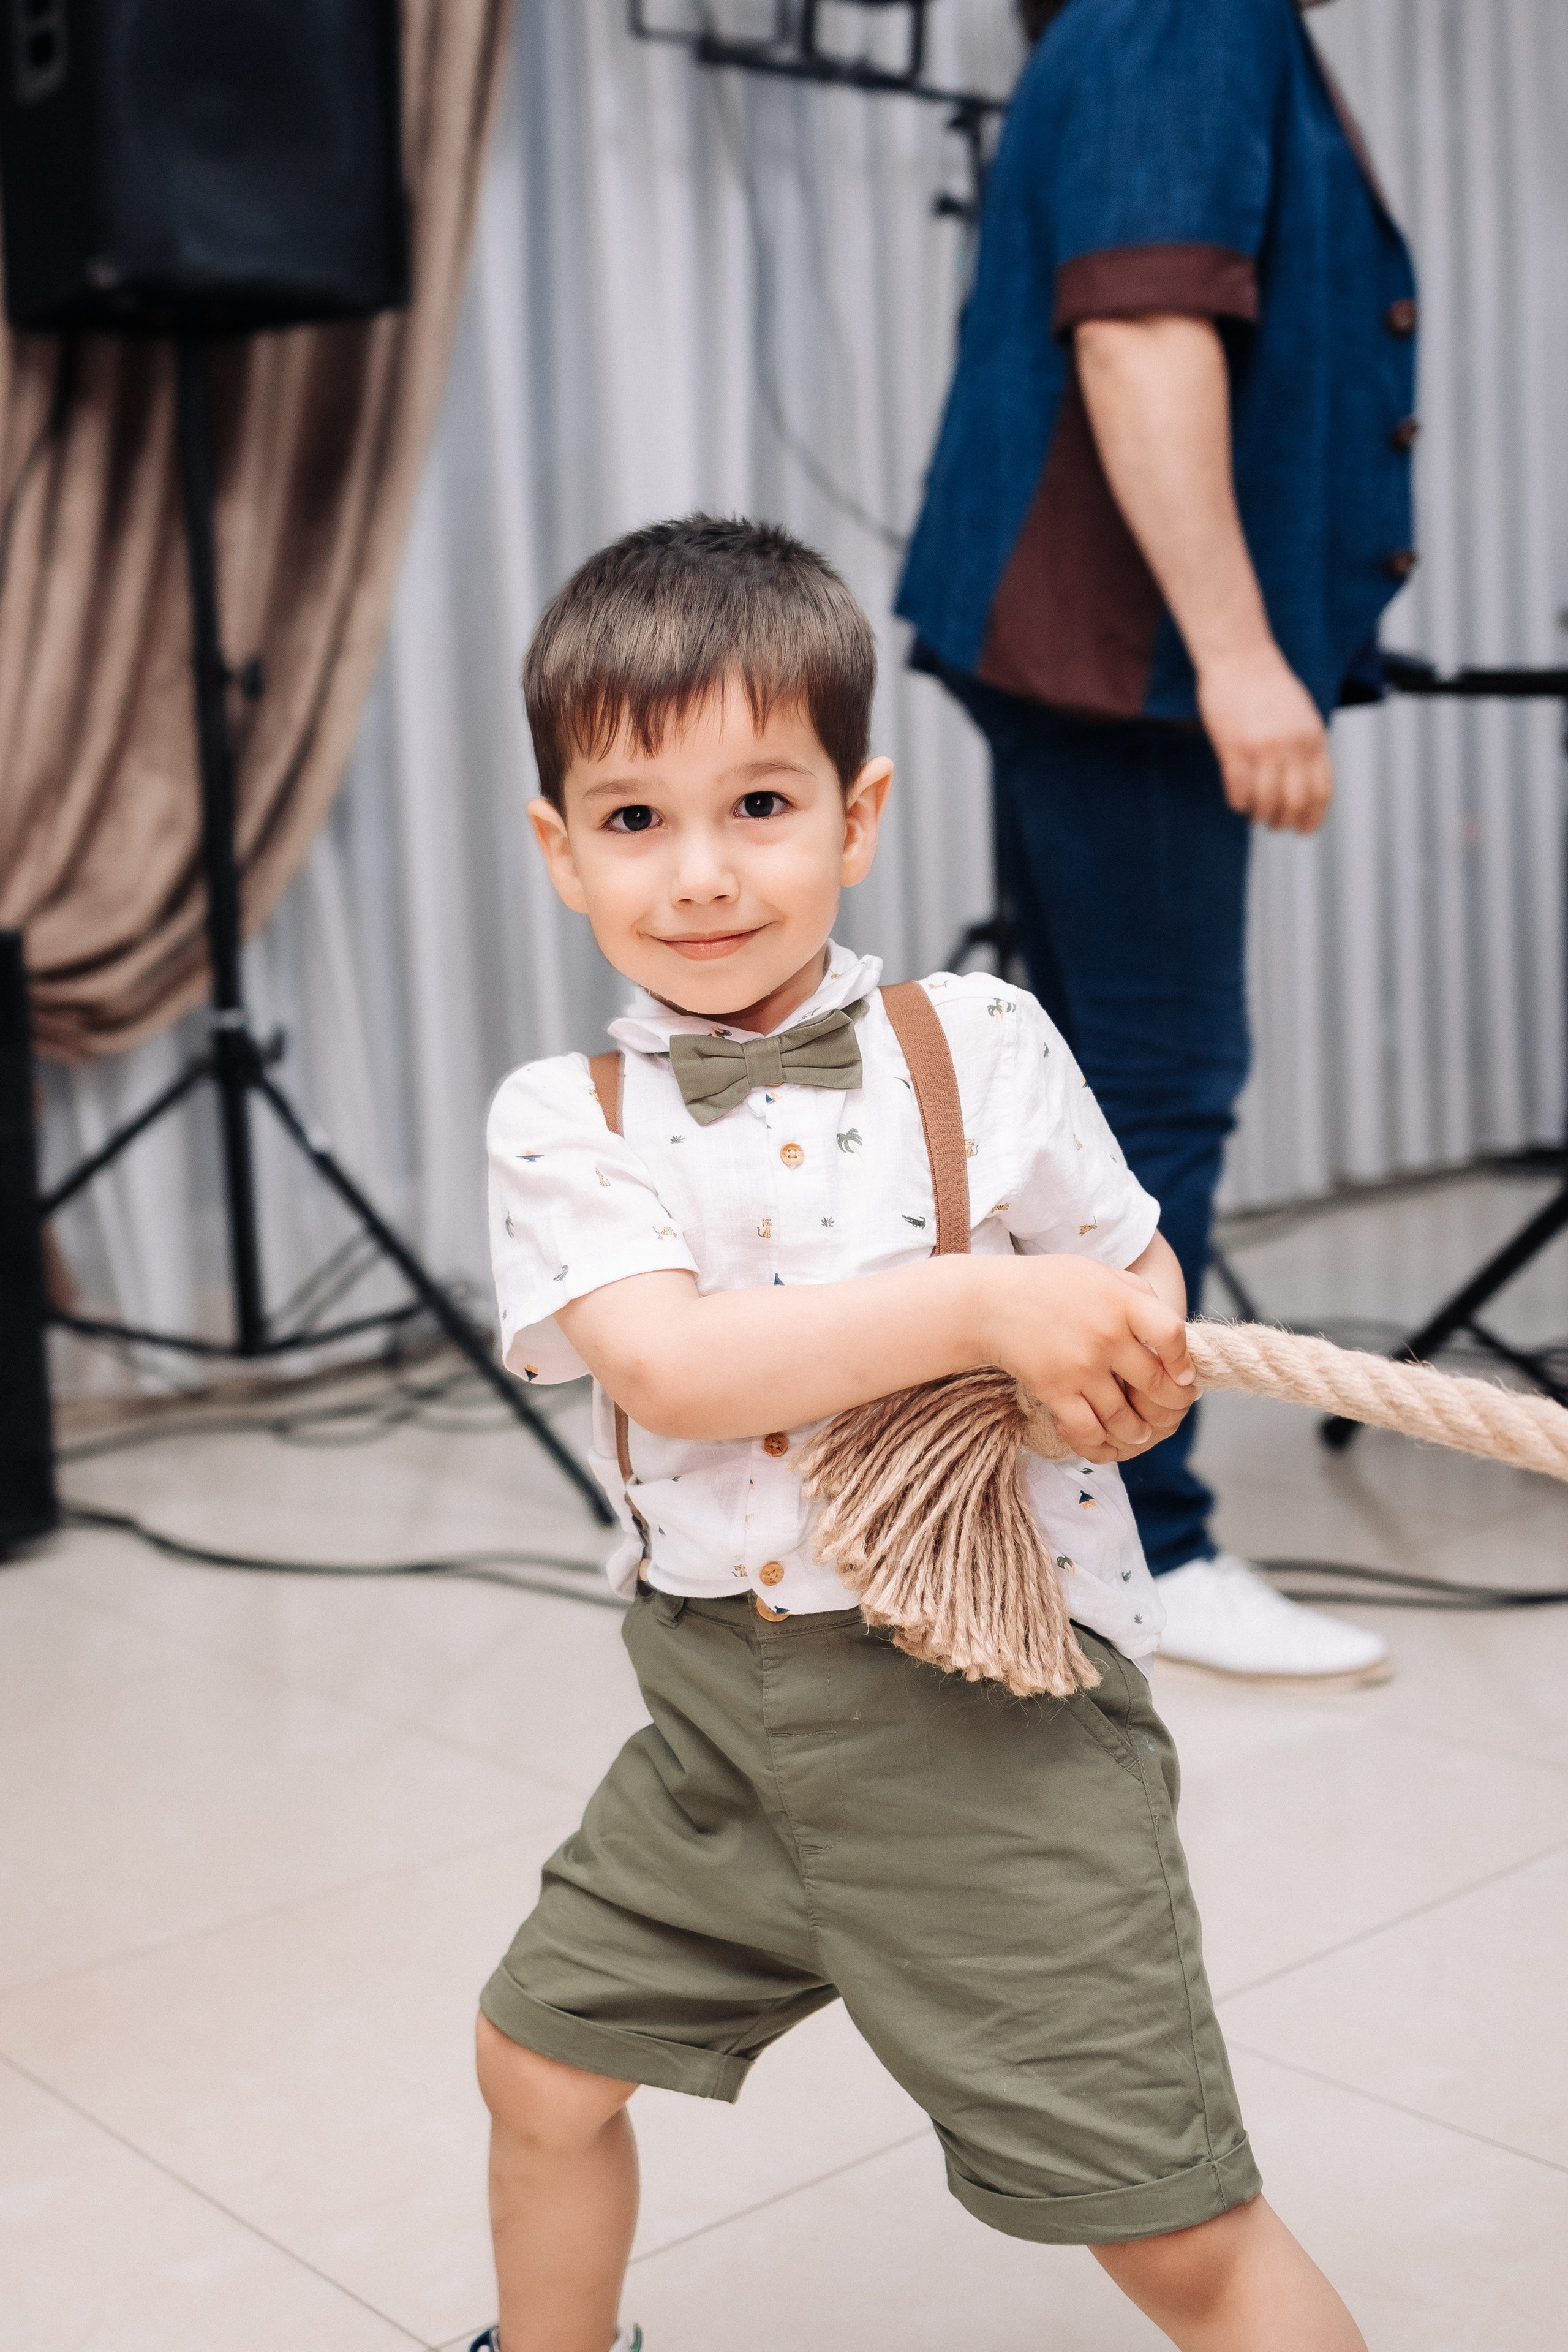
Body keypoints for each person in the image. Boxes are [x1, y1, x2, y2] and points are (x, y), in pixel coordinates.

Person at [467, 516, 1368, 2352]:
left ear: (857, 815)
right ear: (561, 851)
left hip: (993, 1730)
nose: (702, 874)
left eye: (762, 805)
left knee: (1173, 2225)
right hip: (720, 1728)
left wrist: (1112, 1359)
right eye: (635, 818)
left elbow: (1130, 1274)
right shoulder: (565, 1118)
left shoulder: (983, 1042)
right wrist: (975, 1310)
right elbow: (674, 1368)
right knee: (538, 2061)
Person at [897, 0, 1418, 1686]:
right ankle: (1143, 1546)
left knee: (1077, 1093)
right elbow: (1136, 330)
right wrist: (1240, 655)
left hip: (1096, 648)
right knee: (1153, 1084)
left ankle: (1028, 1510)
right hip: (1127, 662)